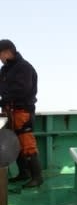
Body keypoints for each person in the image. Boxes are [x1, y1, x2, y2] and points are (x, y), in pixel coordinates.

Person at [0, 39, 43, 188]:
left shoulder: (24, 67)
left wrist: (4, 99)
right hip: (8, 112)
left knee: (27, 144)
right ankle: (23, 173)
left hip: (22, 111)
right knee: (14, 143)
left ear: (7, 52)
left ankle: (37, 177)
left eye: (0, 55)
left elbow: (22, 90)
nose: (0, 59)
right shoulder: (5, 70)